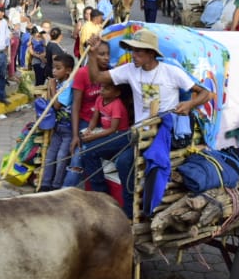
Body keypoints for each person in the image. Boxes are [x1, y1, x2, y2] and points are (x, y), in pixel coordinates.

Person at [86, 29, 210, 218]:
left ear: (151, 54)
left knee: (124, 162)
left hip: (159, 135)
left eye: (139, 52)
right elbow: (96, 78)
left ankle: (128, 216)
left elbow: (205, 93)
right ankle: (102, 199)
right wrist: (92, 54)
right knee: (89, 151)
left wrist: (190, 103)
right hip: (137, 132)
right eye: (132, 51)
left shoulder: (171, 72)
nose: (134, 56)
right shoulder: (130, 70)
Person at [62, 80, 132, 192]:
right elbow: (94, 118)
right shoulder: (100, 99)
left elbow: (113, 129)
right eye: (101, 87)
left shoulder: (117, 105)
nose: (102, 91)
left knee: (88, 149)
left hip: (118, 134)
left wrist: (94, 136)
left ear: (117, 93)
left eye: (106, 89)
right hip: (105, 130)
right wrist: (89, 130)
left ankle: (99, 188)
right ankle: (80, 177)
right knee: (83, 139)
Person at [38, 53, 76, 192]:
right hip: (58, 127)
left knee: (61, 158)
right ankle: (45, 184)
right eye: (53, 67)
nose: (54, 71)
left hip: (68, 128)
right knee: (50, 156)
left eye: (58, 68)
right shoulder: (60, 82)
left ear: (68, 70)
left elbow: (57, 105)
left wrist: (53, 87)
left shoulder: (69, 84)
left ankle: (56, 186)